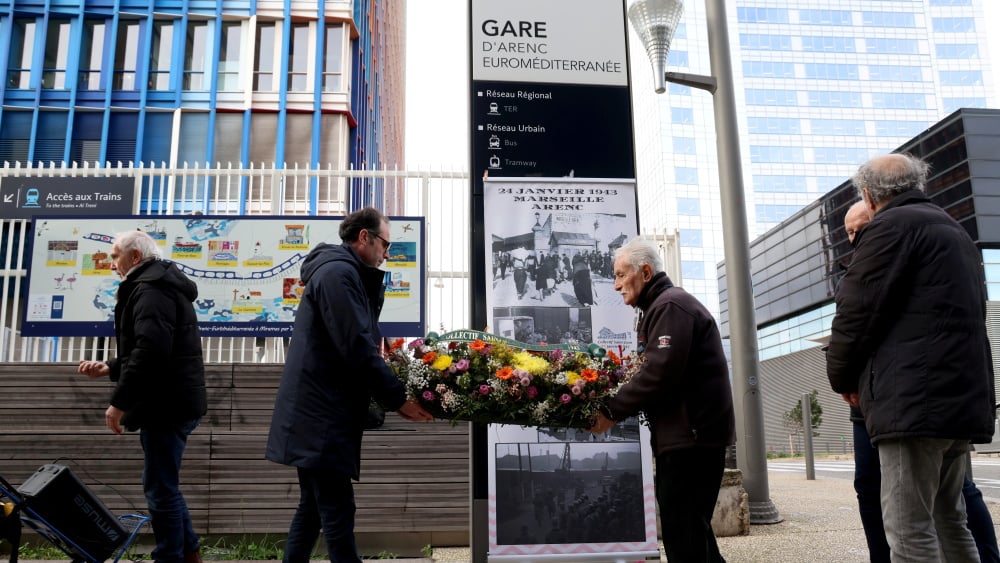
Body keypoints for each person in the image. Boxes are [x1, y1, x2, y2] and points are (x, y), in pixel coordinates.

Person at [827, 153, 996, 561]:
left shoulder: (890, 228)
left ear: (868, 195)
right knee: (950, 517)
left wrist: (842, 378)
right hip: (958, 398)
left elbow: (856, 312)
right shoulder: (953, 229)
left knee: (908, 530)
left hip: (914, 403)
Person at [265, 207, 433, 563]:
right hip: (321, 413)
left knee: (313, 507)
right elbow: (357, 346)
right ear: (364, 237)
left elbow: (359, 340)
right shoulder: (338, 275)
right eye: (385, 244)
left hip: (319, 410)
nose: (387, 253)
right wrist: (398, 399)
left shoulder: (342, 273)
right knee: (337, 508)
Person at [589, 236, 735, 563]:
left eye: (621, 275)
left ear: (645, 272)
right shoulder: (661, 306)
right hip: (689, 437)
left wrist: (610, 410)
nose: (616, 285)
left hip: (691, 441)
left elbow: (659, 372)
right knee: (693, 532)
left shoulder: (670, 306)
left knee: (683, 535)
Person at [78, 230, 207, 563]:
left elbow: (151, 352)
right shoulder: (156, 284)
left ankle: (171, 557)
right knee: (164, 485)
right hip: (169, 401)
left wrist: (118, 404)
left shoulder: (151, 290)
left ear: (135, 256)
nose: (111, 264)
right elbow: (149, 348)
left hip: (166, 404)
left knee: (160, 488)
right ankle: (188, 553)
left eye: (115, 256)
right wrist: (110, 367)